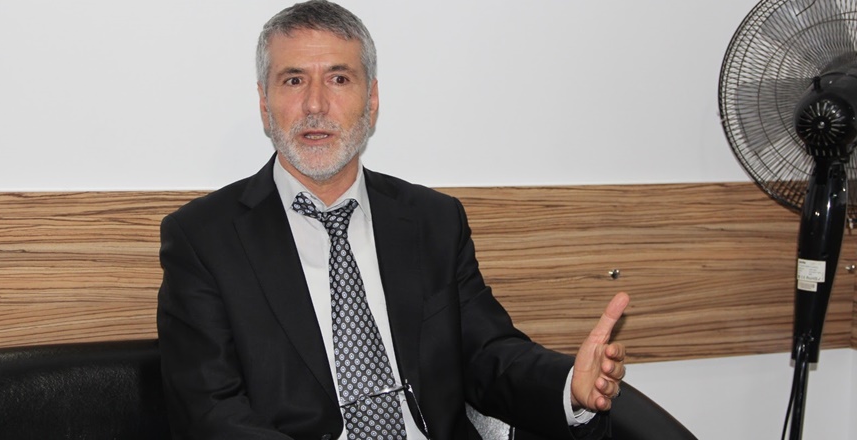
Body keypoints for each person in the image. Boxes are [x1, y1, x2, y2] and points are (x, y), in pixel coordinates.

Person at [156, 1, 630, 439]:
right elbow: (210, 414)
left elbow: (487, 353)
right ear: (265, 102)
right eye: (294, 80)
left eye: (339, 79)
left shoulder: (433, 221)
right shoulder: (202, 239)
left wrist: (568, 386)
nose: (315, 105)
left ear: (372, 99)